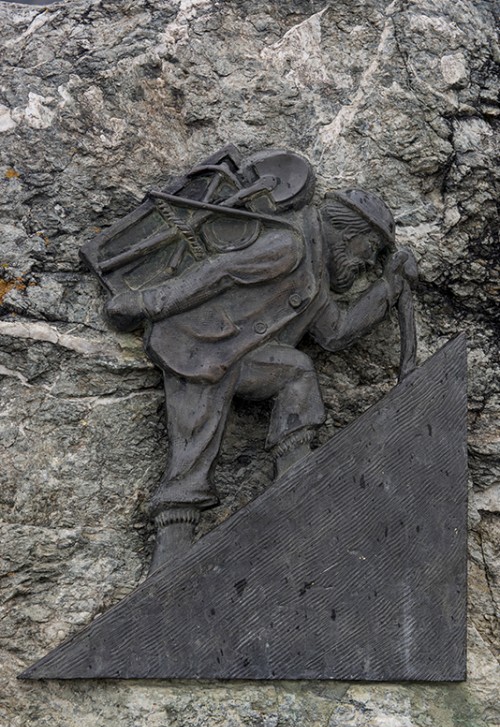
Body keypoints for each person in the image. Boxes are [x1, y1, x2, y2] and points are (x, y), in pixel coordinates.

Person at [106, 179, 417, 572]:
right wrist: (144, 303)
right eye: (369, 250)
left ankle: (295, 480)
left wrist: (387, 287)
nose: (367, 264)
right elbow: (218, 273)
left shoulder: (315, 276)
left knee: (296, 370)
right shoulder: (289, 244)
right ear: (347, 232)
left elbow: (336, 333)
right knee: (191, 459)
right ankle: (166, 570)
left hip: (235, 355)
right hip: (196, 348)